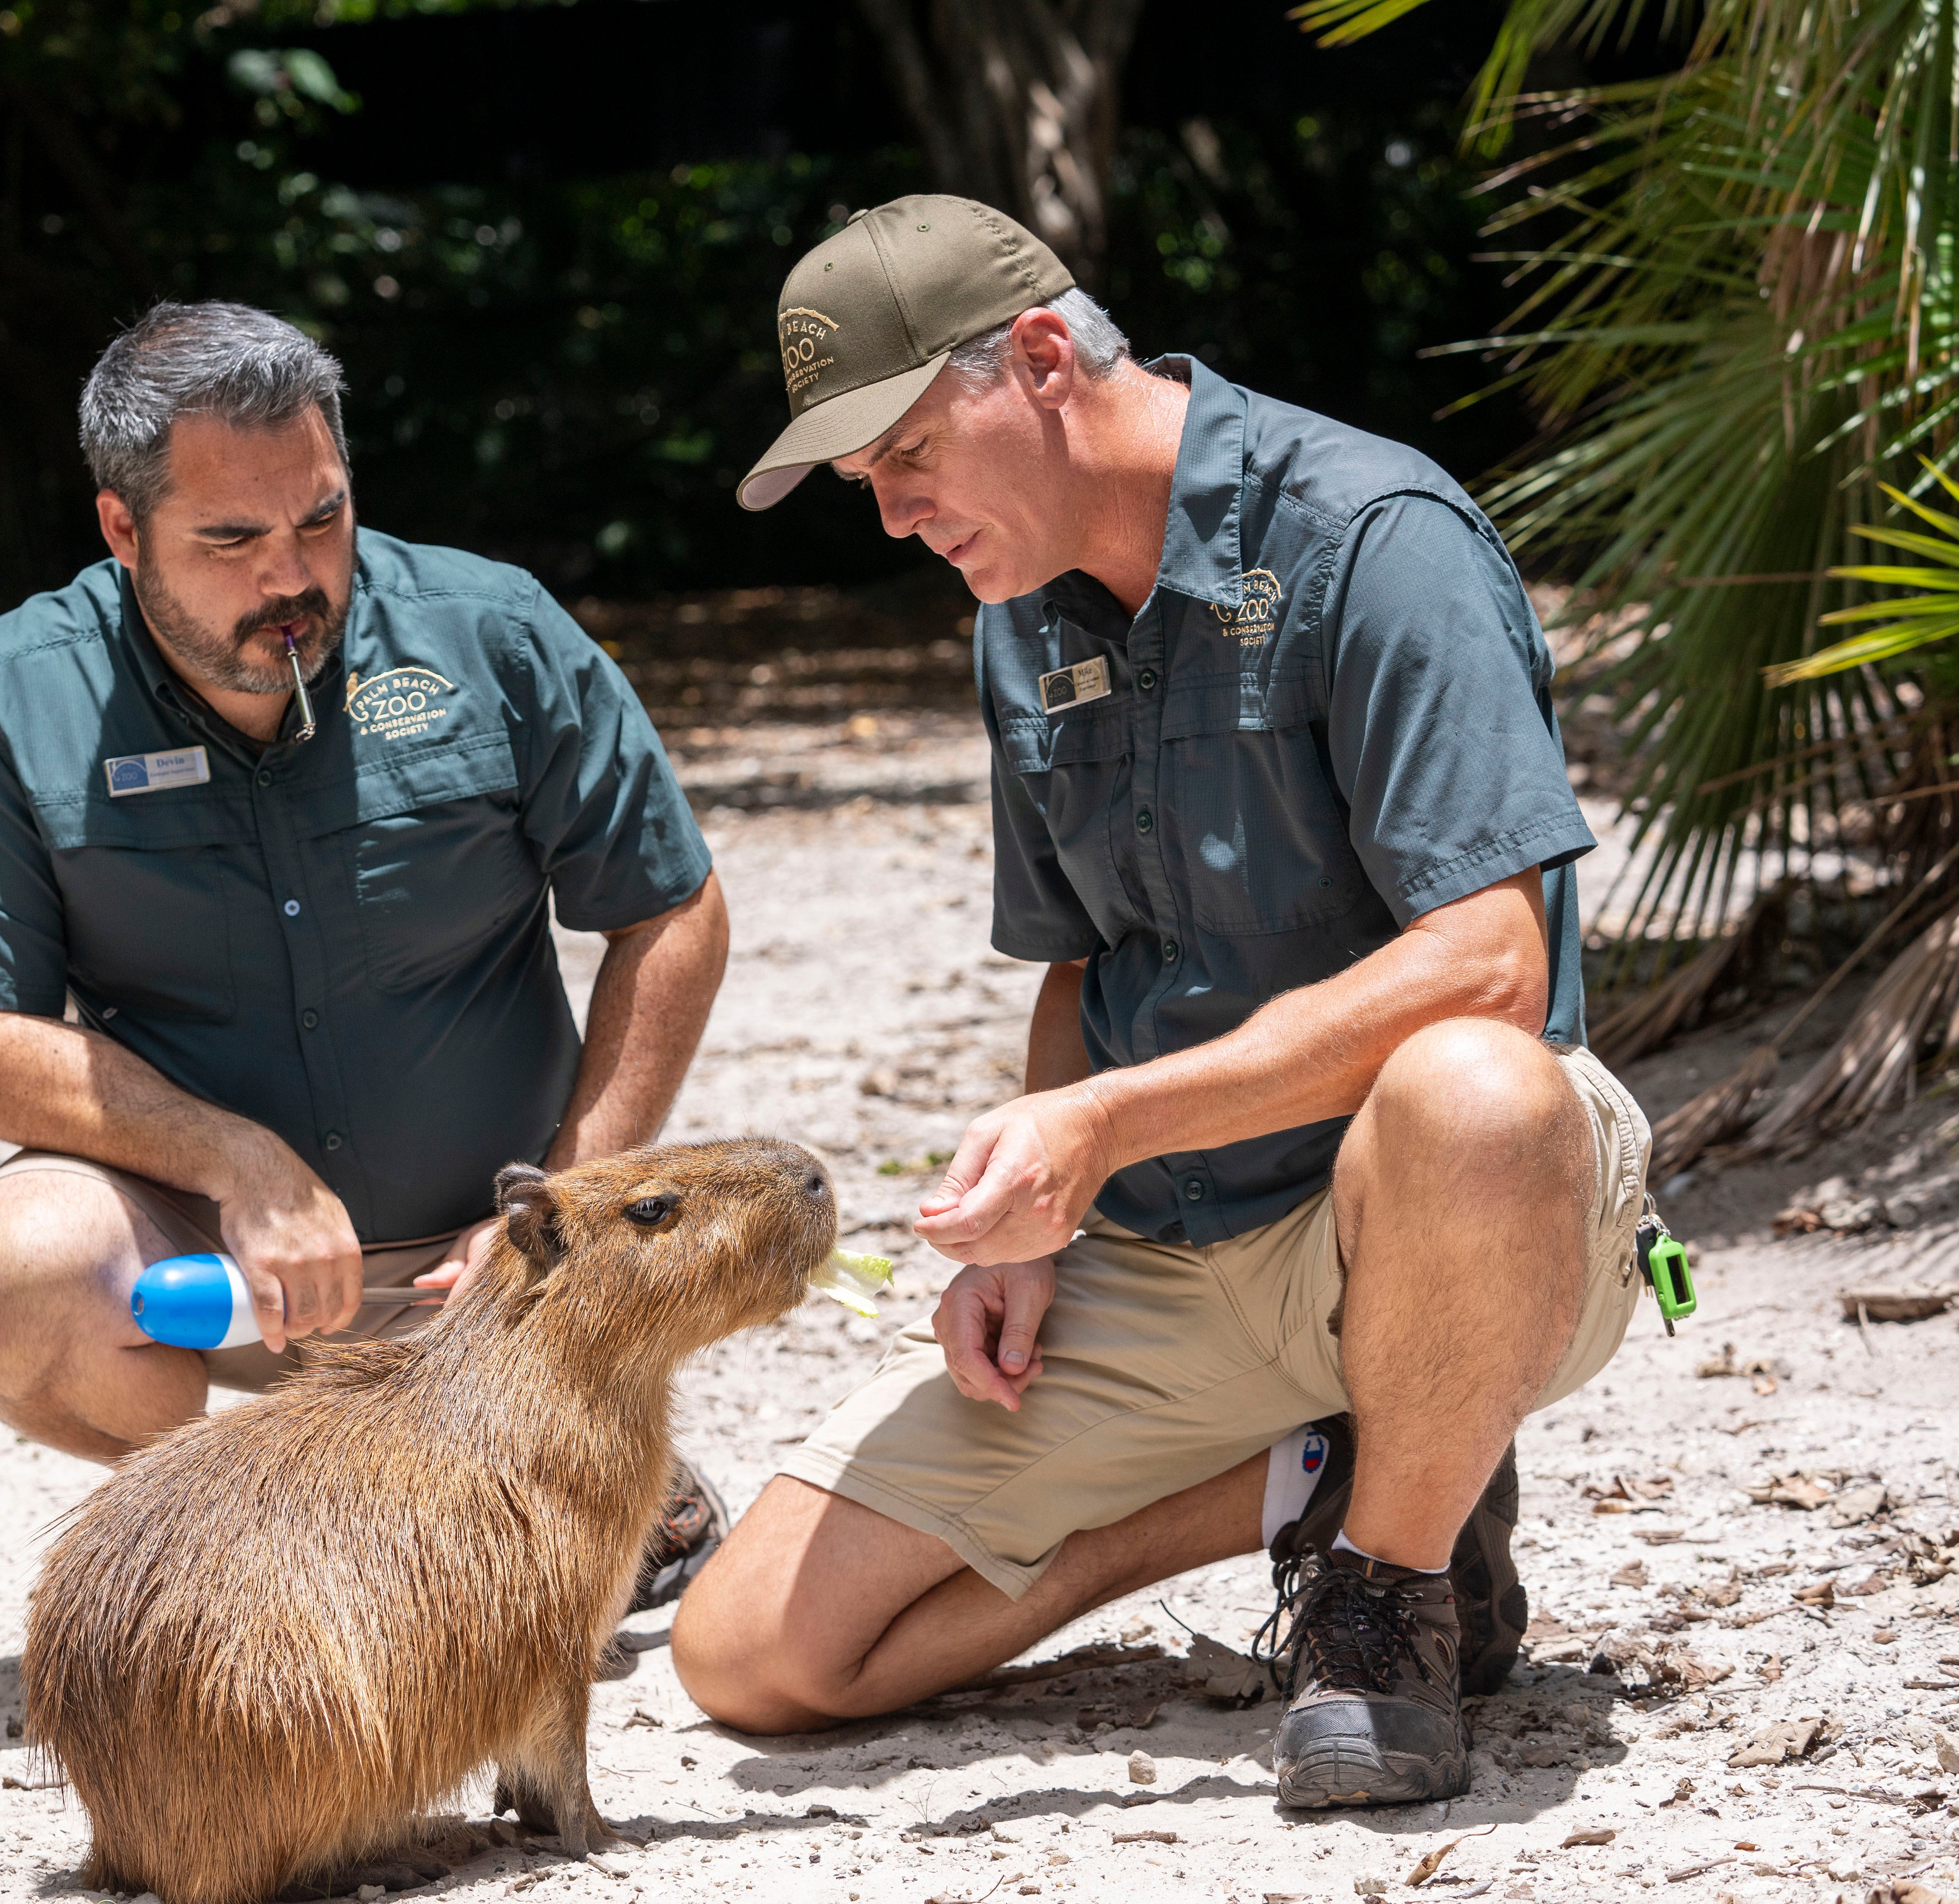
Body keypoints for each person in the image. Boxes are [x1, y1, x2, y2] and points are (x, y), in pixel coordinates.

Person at [671, 196, 1653, 1809]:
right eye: (865, 482)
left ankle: (1387, 1609)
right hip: (1174, 1245)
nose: (896, 514)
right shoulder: (1016, 612)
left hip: (1448, 1218)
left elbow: (1495, 960)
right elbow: (1080, 960)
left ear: (1042, 357)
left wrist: (1109, 1121)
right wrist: (1039, 1231)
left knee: (1474, 1083)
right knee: (758, 1654)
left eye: (907, 452)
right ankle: (1323, 1481)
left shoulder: (1373, 535)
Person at [0, 301, 735, 1604]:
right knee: (11, 1272)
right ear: (123, 531)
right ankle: (266, 1528)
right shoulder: (9, 694)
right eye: (230, 538)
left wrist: (560, 1208)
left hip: (494, 1263)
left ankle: (610, 1483)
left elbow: (673, 908)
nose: (291, 577)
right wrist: (237, 1162)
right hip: (216, 1268)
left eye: (322, 519)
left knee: (504, 1592)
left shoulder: (491, 630)